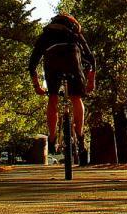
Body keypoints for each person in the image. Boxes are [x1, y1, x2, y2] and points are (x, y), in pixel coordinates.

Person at [28, 13, 96, 158]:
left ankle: (52, 138)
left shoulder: (46, 34)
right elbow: (91, 58)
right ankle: (80, 136)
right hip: (72, 56)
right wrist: (91, 81)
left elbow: (32, 63)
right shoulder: (74, 33)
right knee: (76, 98)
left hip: (52, 60)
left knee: (52, 98)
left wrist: (37, 86)